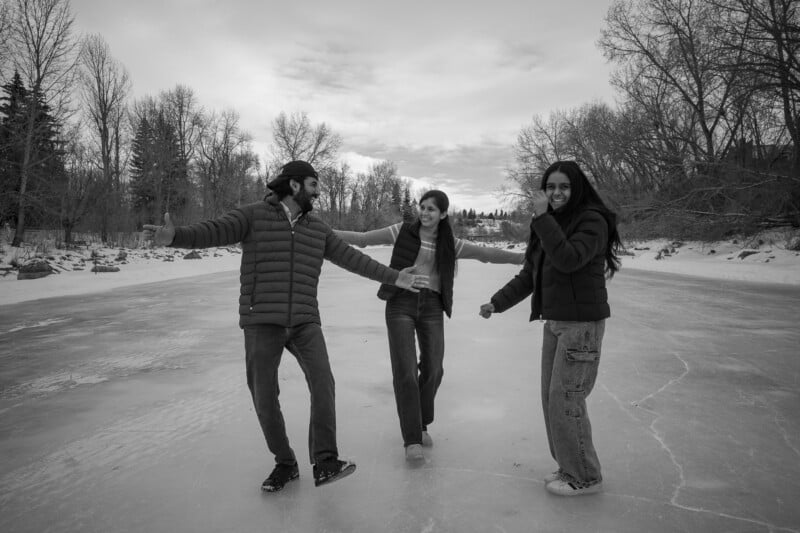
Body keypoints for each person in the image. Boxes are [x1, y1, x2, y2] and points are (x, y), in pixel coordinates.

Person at [142, 160, 428, 492]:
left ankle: (325, 461)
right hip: (262, 320)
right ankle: (285, 463)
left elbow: (354, 259)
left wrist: (395, 277)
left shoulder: (318, 229)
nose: (318, 193)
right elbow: (212, 231)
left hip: (305, 320)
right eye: (313, 185)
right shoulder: (252, 216)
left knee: (324, 384)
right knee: (264, 397)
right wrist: (174, 236)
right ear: (293, 185)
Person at [335, 190, 524, 463]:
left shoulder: (451, 244)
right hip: (400, 303)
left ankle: (421, 421)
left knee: (434, 368)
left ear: (443, 214)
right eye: (422, 207)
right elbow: (363, 240)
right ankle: (413, 437)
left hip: (432, 307)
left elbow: (486, 253)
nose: (424, 213)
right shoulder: (401, 231)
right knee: (406, 371)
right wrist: (325, 232)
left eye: (431, 209)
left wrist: (522, 258)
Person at [478, 161, 622, 496]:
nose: (556, 193)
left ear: (578, 188)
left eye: (564, 187)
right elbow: (531, 274)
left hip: (581, 325)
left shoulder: (592, 220)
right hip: (555, 322)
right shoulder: (549, 225)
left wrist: (542, 219)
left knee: (566, 399)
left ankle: (585, 476)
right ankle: (569, 466)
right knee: (551, 399)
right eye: (551, 187)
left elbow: (569, 259)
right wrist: (497, 302)